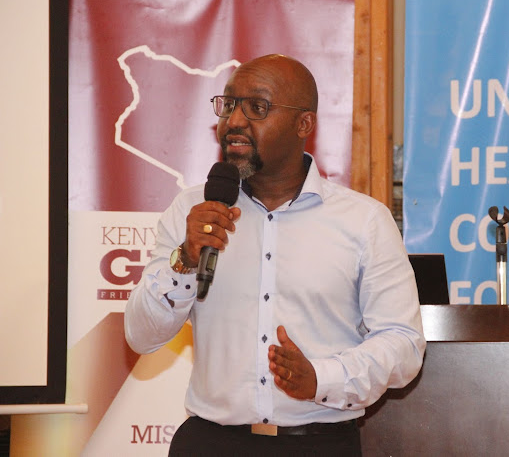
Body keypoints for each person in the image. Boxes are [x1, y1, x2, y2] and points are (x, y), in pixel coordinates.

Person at [124, 54, 426, 456]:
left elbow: (403, 343)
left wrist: (321, 377)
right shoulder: (191, 210)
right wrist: (185, 258)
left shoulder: (364, 220)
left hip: (319, 445)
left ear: (304, 124)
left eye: (257, 108)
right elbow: (141, 336)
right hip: (211, 443)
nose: (233, 121)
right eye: (228, 104)